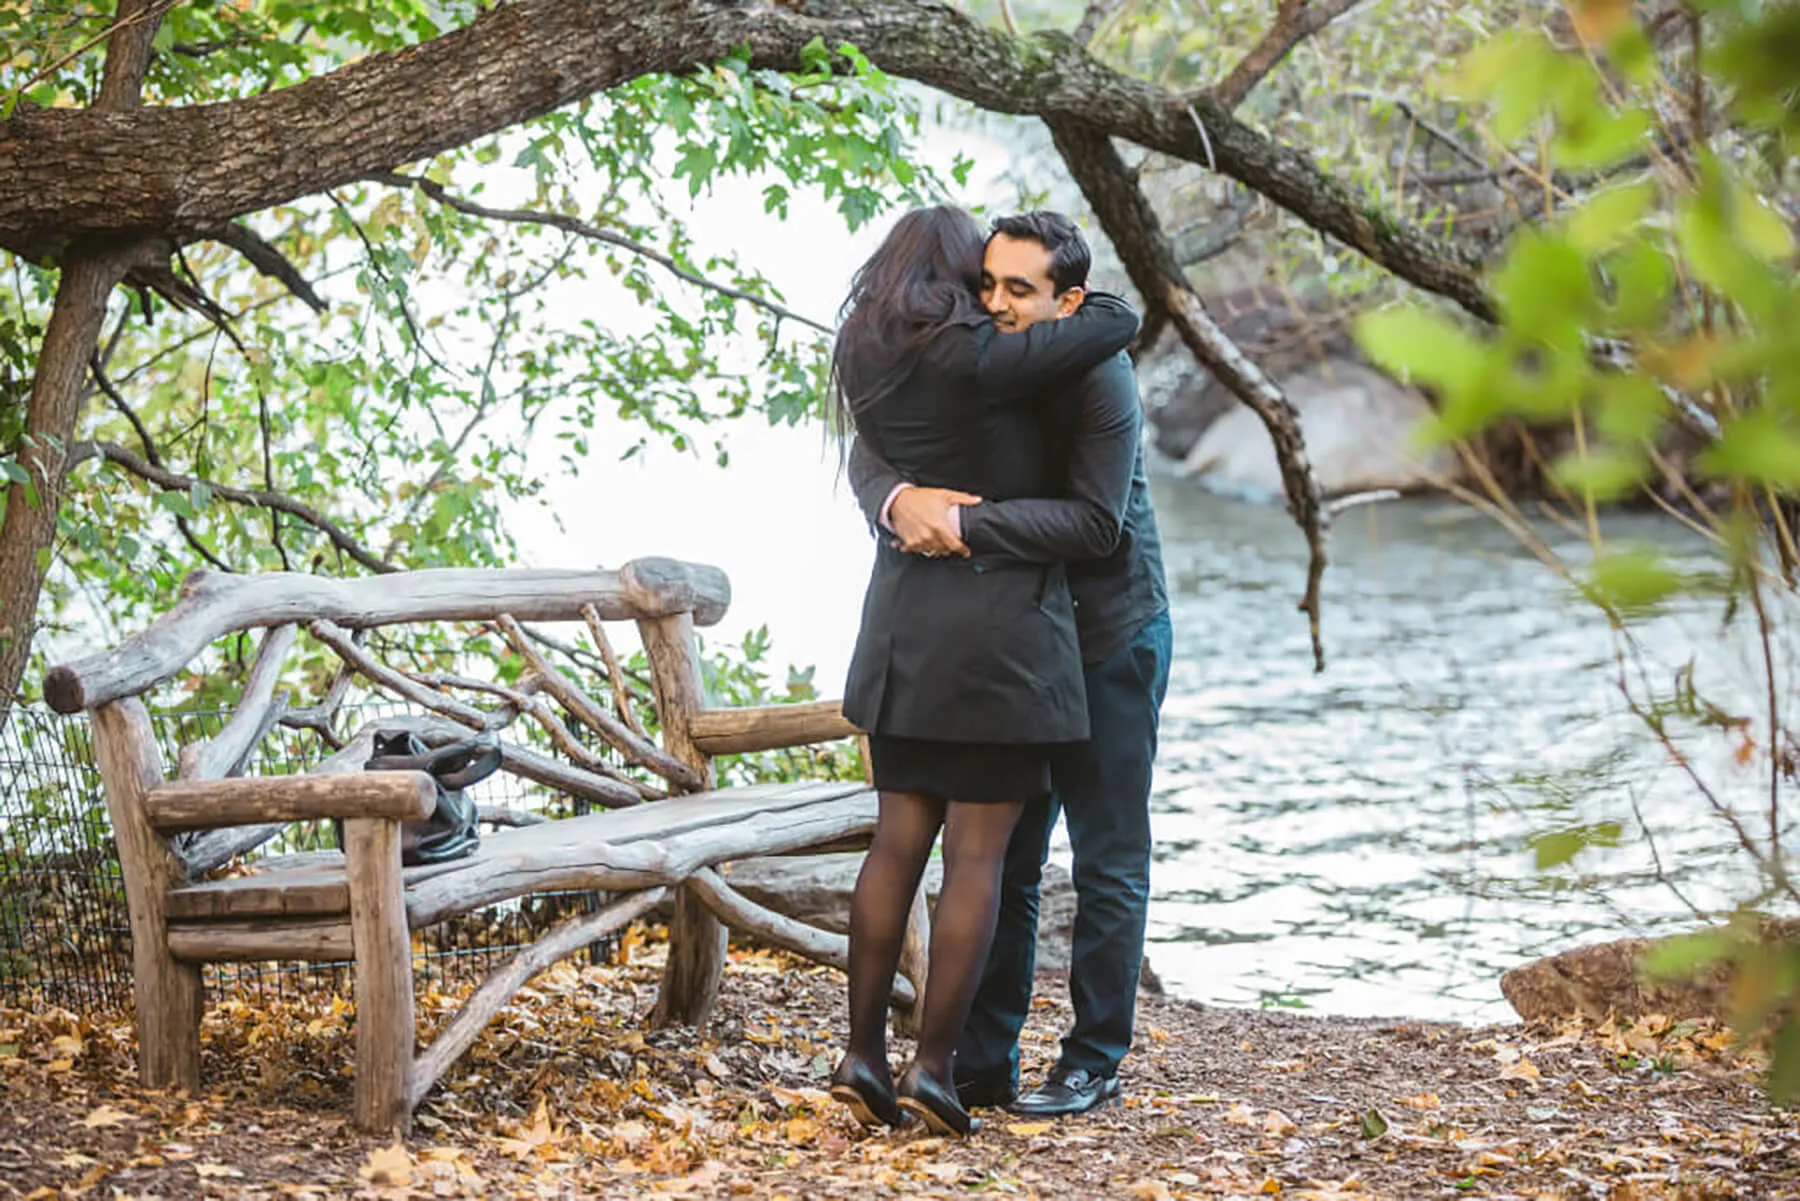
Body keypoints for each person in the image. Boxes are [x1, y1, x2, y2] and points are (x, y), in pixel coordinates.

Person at [848, 211, 1171, 1119]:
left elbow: (1095, 524)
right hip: (1020, 647)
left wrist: (963, 523)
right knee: (1010, 858)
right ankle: (981, 1056)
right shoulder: (983, 359)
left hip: (1107, 634)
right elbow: (878, 439)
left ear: (1068, 301)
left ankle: (1092, 1056)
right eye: (985, 283)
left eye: (1016, 291)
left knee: (1107, 855)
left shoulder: (1099, 378)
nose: (992, 303)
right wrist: (897, 497)